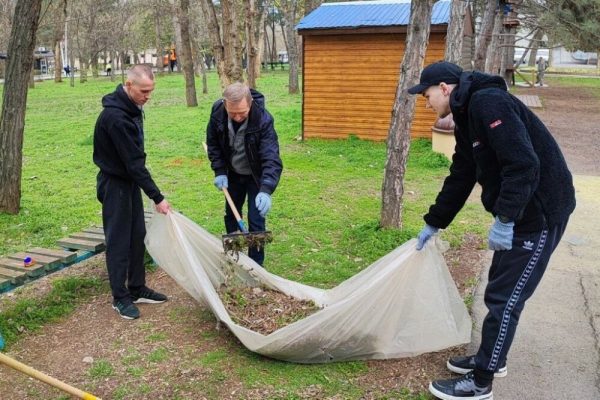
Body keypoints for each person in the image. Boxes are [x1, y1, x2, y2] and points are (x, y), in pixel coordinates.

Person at [408, 61, 575, 400]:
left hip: (539, 213)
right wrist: (434, 221)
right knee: (498, 288)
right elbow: (462, 174)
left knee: (505, 299)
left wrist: (505, 218)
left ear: (444, 88)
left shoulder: (488, 103)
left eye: (425, 96)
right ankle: (491, 359)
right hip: (520, 213)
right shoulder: (468, 116)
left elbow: (524, 164)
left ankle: (480, 382)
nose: (425, 104)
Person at [93, 64, 172, 320]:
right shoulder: (116, 118)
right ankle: (120, 297)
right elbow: (134, 163)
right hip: (115, 184)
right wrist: (157, 197)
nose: (148, 96)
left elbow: (134, 163)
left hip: (129, 182)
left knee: (137, 235)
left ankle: (137, 288)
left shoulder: (132, 108)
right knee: (118, 242)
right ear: (129, 86)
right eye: (144, 91)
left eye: (151, 91)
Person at [206, 82, 283, 266]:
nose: (238, 117)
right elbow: (213, 143)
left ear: (250, 104)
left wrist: (266, 188)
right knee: (231, 215)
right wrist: (219, 170)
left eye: (242, 112)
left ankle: (256, 267)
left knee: (256, 221)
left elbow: (271, 157)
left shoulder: (263, 120)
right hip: (232, 174)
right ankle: (234, 260)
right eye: (233, 113)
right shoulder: (218, 112)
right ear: (225, 105)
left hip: (255, 176)